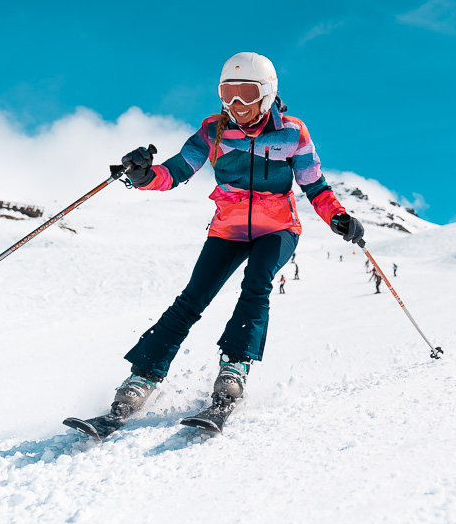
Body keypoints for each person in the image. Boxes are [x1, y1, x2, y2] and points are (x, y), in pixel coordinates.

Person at [99, 52, 364, 423]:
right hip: (229, 227)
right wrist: (145, 175)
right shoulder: (214, 130)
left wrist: (337, 215)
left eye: (247, 94)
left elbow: (314, 184)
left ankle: (234, 368)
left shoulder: (292, 132)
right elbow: (176, 170)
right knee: (192, 299)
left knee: (257, 285)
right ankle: (143, 376)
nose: (236, 105)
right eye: (228, 93)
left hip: (278, 227)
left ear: (268, 94)